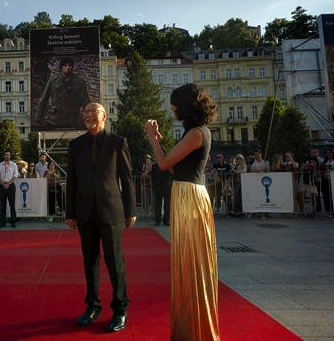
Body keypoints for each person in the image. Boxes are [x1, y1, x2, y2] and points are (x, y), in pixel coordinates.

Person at [145, 83, 220, 340]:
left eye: (175, 103)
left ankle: (196, 330)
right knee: (187, 262)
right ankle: (189, 328)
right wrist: (161, 144)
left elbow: (164, 165)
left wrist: (153, 138)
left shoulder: (196, 133)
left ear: (186, 105)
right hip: (186, 192)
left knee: (192, 262)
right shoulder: (196, 131)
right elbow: (176, 167)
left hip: (189, 196)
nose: (172, 108)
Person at [66, 102, 136, 333]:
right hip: (85, 212)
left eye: (93, 112)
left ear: (104, 116)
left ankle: (120, 310)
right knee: (90, 263)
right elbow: (72, 180)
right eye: (85, 112)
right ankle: (92, 306)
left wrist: (130, 210)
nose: (88, 116)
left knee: (115, 263)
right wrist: (70, 212)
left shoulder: (118, 142)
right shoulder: (75, 145)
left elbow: (127, 178)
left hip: (111, 210)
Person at [34, 56, 91, 128]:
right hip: (52, 119)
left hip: (70, 121)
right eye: (65, 65)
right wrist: (38, 117)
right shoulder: (53, 79)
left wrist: (86, 119)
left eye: (70, 65)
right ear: (61, 67)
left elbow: (86, 102)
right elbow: (44, 98)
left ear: (72, 67)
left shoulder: (79, 82)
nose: (67, 67)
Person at [0, 151, 19, 228]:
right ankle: (3, 221)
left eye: (8, 155)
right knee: (2, 204)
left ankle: (13, 221)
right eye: (6, 155)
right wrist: (3, 184)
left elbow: (15, 176)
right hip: (2, 185)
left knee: (12, 204)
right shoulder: (0, 165)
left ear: (10, 156)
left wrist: (8, 184)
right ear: (3, 156)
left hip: (10, 185)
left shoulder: (14, 165)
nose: (7, 156)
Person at [152, 158, 173, 226]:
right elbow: (153, 176)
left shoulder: (169, 165)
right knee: (158, 204)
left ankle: (166, 219)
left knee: (167, 204)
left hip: (167, 186)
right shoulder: (155, 166)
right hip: (159, 186)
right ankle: (158, 220)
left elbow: (172, 175)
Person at [320, 149, 334, 217]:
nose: (328, 154)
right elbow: (321, 169)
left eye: (330, 153)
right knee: (327, 194)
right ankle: (329, 209)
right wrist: (324, 167)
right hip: (326, 177)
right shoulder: (324, 160)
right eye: (327, 153)